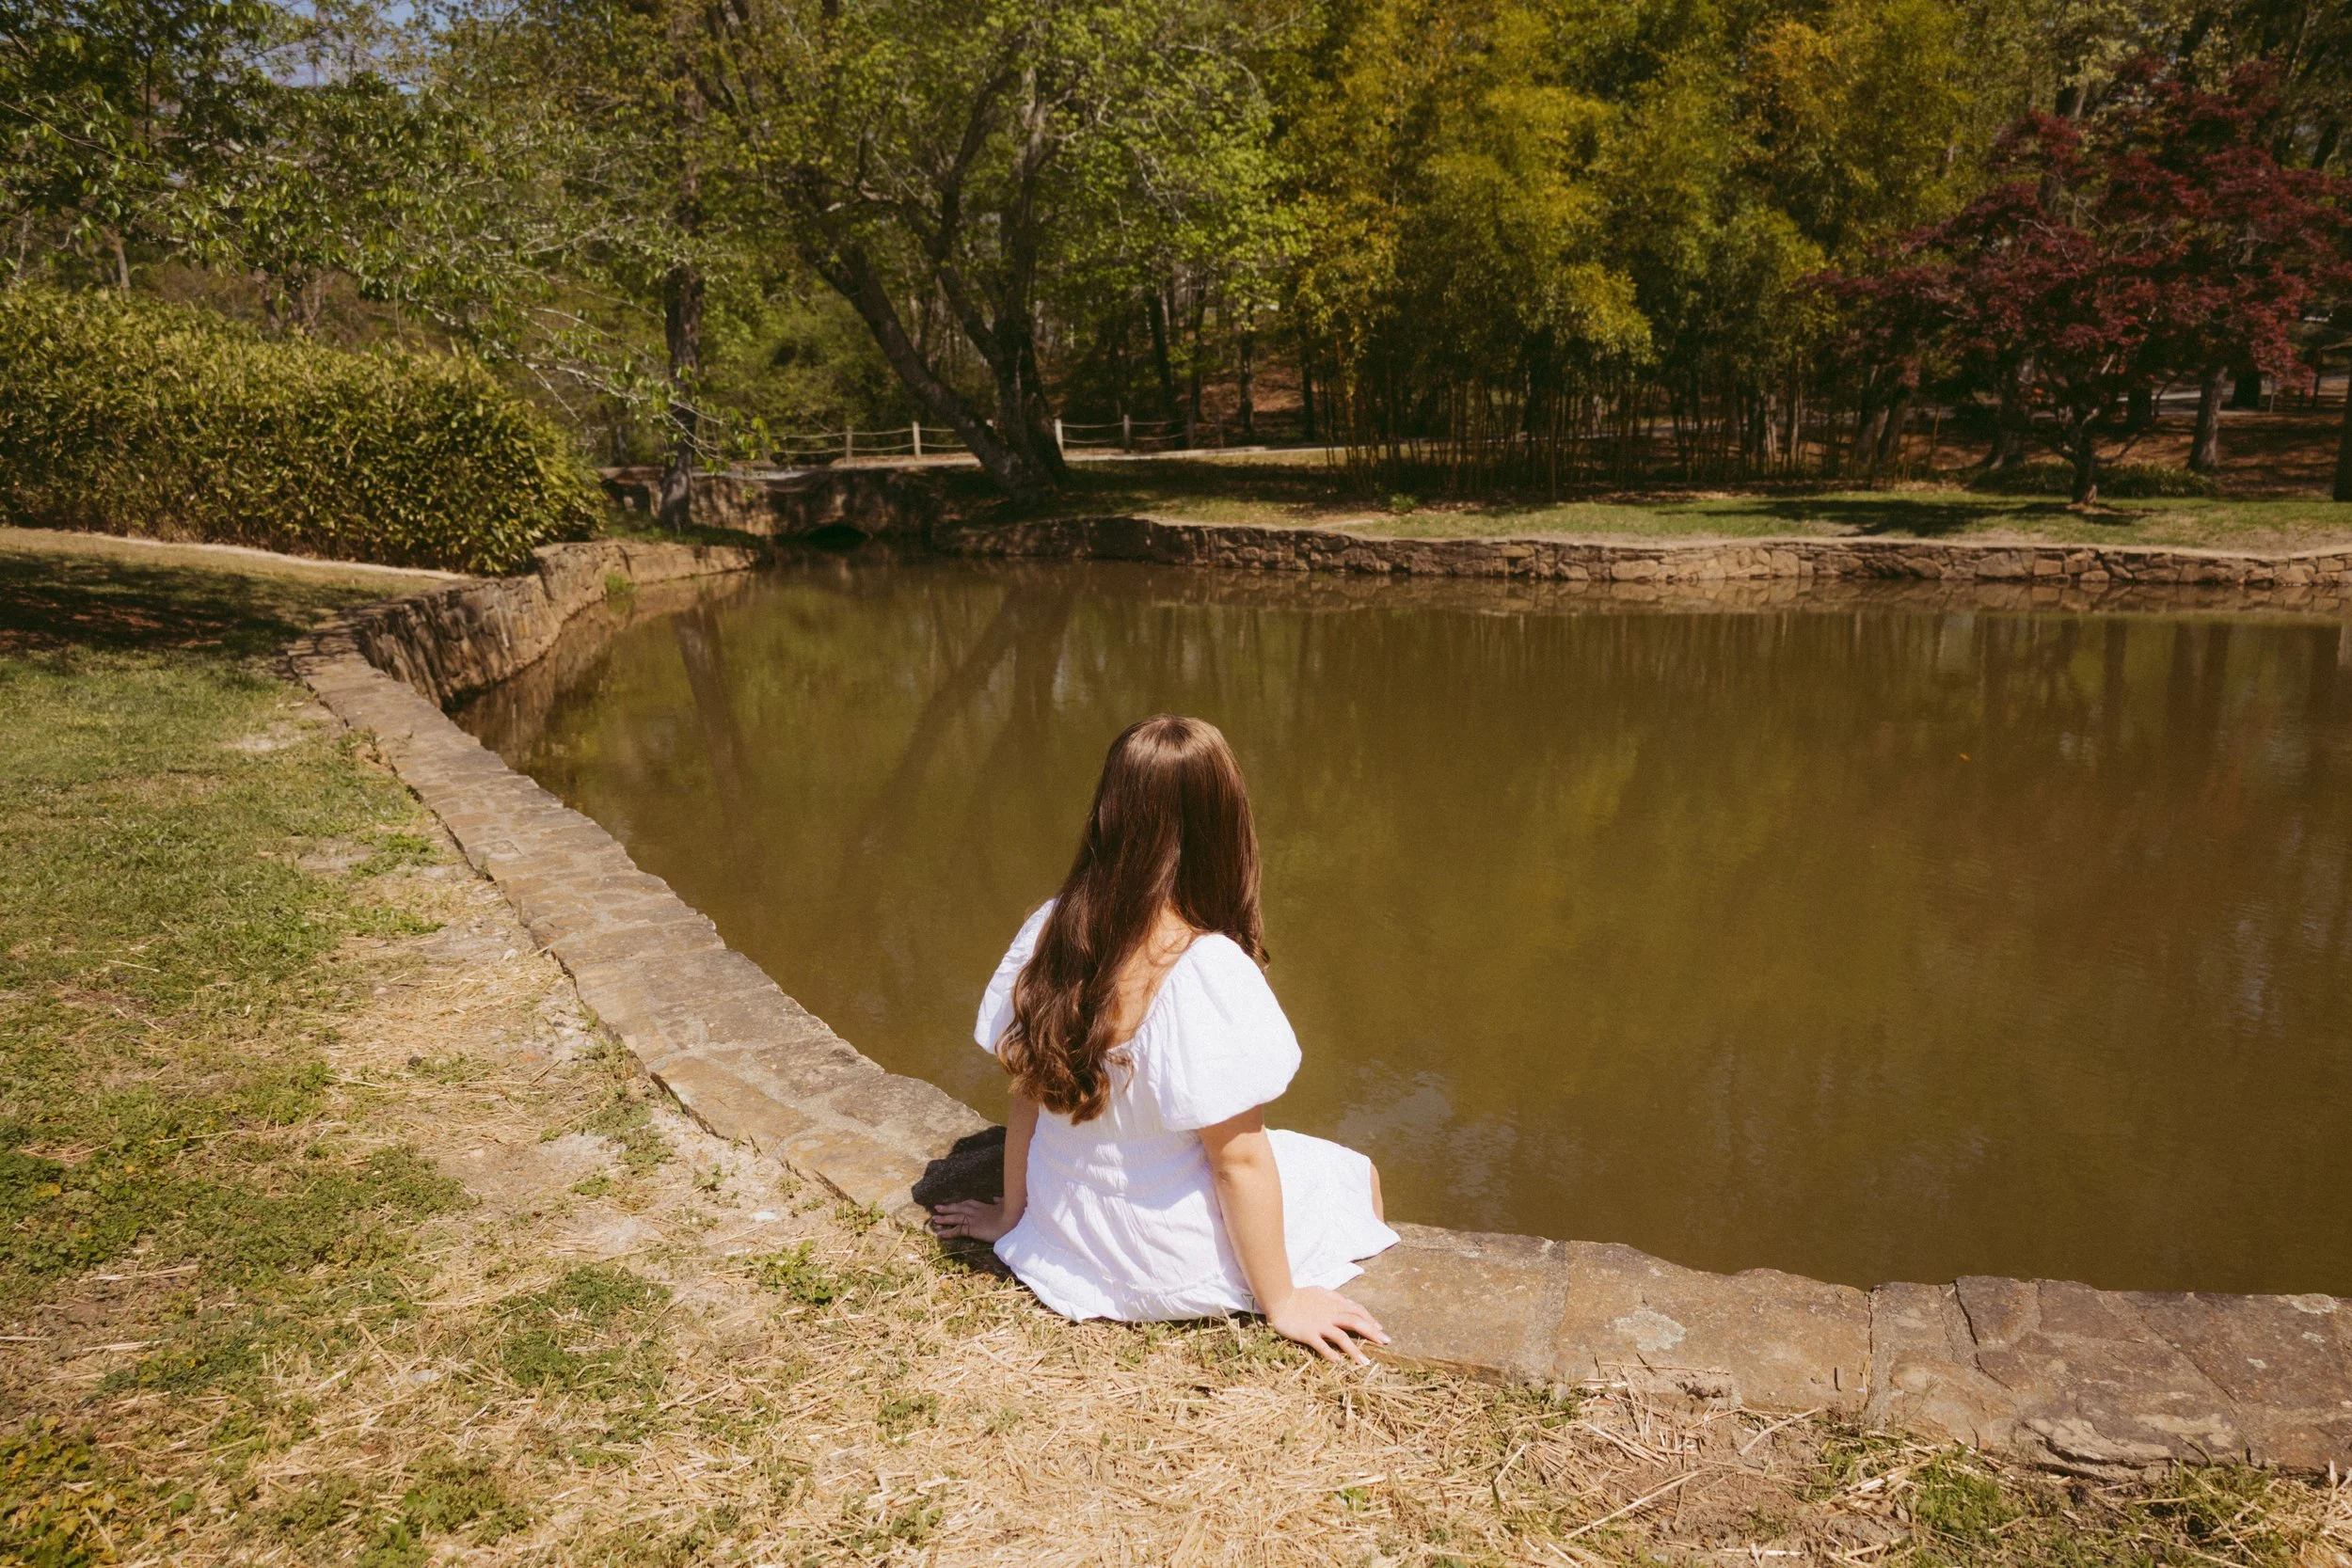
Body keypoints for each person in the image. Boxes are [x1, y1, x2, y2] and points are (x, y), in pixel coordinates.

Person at [929, 715, 1399, 1364]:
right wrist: (1283, 1299)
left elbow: (1025, 1097)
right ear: (1222, 826)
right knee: (1354, 1174)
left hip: (1065, 1227)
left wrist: (1015, 1218)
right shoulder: (1201, 965)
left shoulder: (1052, 927)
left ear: (1108, 812)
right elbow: (1238, 1160)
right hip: (1157, 1251)